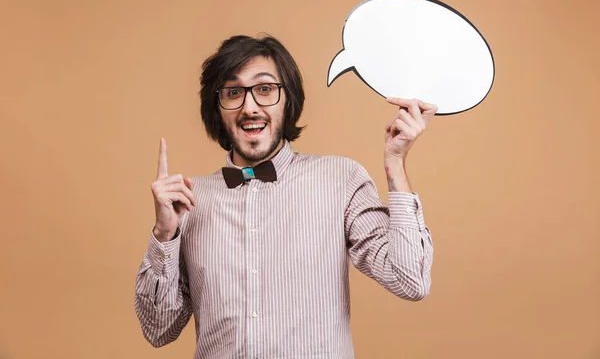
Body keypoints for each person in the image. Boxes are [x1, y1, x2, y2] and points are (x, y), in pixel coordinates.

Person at [134, 34, 438, 358]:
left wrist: (395, 161)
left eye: (265, 89)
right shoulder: (189, 202)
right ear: (217, 107)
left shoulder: (340, 180)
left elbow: (410, 280)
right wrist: (164, 235)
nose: (249, 107)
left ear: (287, 99)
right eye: (233, 92)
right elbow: (158, 330)